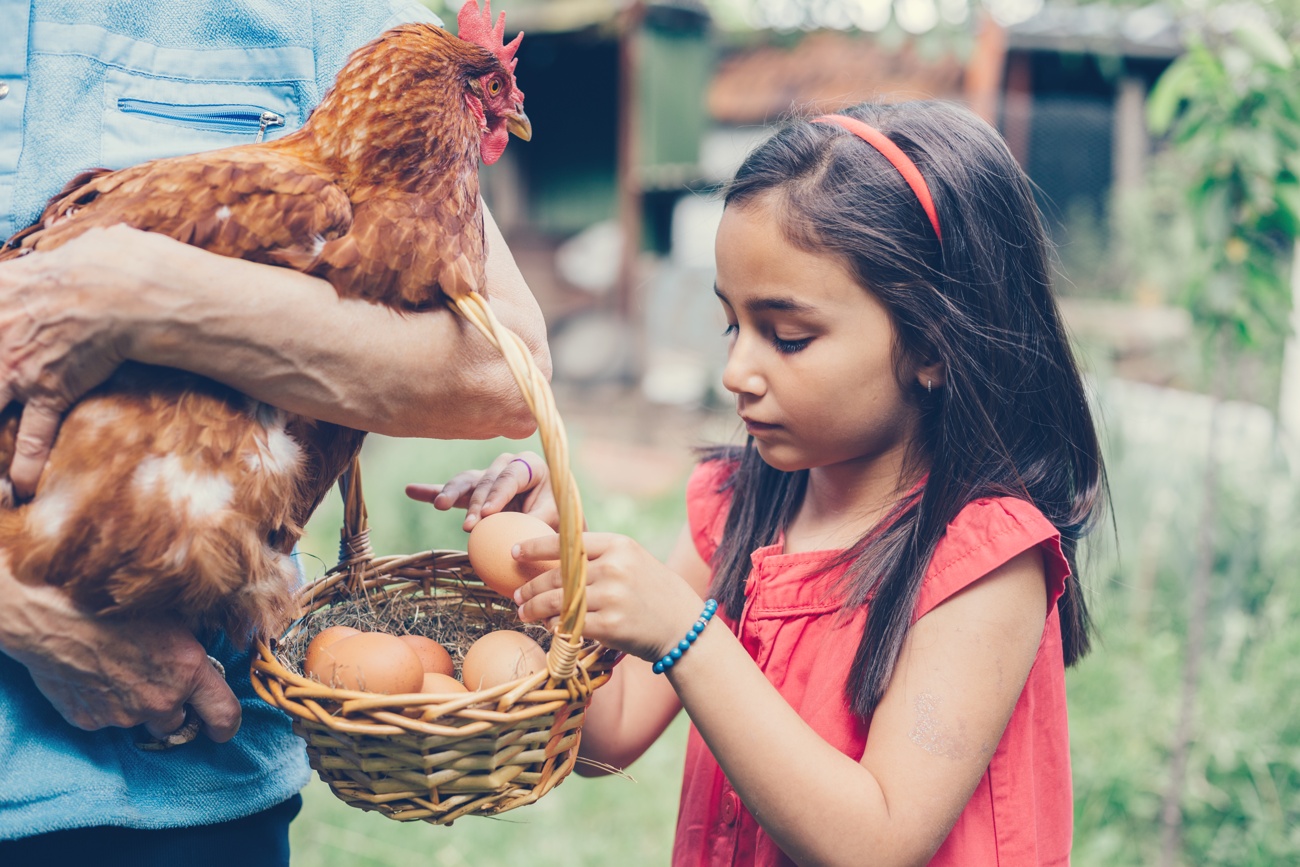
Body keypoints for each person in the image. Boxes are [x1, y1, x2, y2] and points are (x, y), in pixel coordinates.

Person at [413, 100, 1107, 865]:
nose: (737, 371)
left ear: (932, 345)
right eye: (732, 326)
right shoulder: (742, 504)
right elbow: (608, 735)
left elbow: (876, 842)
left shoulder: (984, 559)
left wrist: (687, 632)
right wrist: (552, 557)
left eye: (788, 336)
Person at [0, 0, 548, 862]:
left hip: (194, 783)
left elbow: (504, 371)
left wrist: (135, 296)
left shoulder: (345, 21)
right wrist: (20, 612)